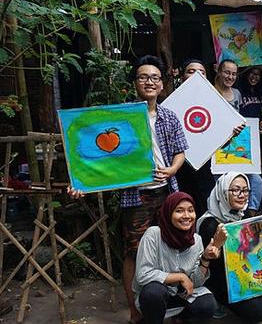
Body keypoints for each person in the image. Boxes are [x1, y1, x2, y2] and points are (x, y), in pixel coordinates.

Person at [68, 55, 189, 324]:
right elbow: (95, 155)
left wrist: (172, 169)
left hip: (166, 192)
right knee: (133, 252)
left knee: (170, 246)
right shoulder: (119, 116)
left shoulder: (169, 116)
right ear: (135, 82)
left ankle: (168, 303)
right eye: (144, 77)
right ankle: (135, 311)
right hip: (136, 195)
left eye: (155, 78)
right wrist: (81, 184)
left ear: (162, 85)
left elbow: (180, 152)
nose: (150, 82)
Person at [197, 172, 262, 324]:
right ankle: (217, 299)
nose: (242, 195)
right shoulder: (209, 224)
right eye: (235, 190)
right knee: (258, 312)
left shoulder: (242, 216)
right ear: (223, 192)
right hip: (223, 281)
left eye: (245, 190)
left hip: (248, 273)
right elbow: (213, 268)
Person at [133, 192, 222, 324]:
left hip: (182, 296)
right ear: (168, 213)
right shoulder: (154, 234)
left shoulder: (196, 241)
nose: (186, 216)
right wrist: (180, 277)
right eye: (179, 211)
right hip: (157, 296)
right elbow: (143, 274)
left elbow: (195, 283)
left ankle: (181, 319)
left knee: (208, 305)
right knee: (153, 292)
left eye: (191, 210)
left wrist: (205, 259)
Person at [213, 60, 262, 216]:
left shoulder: (237, 93)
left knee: (256, 181)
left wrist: (255, 131)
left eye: (234, 74)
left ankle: (250, 215)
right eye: (227, 72)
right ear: (219, 72)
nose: (230, 76)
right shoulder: (211, 92)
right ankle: (224, 217)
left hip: (237, 146)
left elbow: (241, 120)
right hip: (218, 148)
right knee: (223, 185)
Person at [174, 59, 214, 216]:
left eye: (202, 72)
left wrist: (231, 134)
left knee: (205, 209)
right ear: (182, 76)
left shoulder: (213, 103)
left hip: (204, 168)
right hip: (179, 168)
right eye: (191, 71)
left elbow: (218, 141)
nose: (197, 74)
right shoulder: (171, 101)